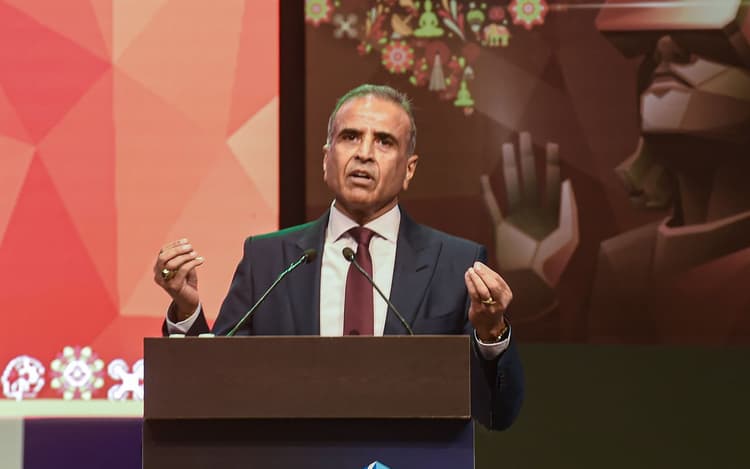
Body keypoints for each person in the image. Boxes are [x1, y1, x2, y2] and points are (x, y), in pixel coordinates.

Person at [153, 84, 523, 429]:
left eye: (384, 141)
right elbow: (215, 388)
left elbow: (496, 412)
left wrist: (491, 333)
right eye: (350, 137)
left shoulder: (455, 263)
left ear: (409, 169)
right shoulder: (268, 260)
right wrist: (187, 313)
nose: (364, 153)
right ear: (326, 158)